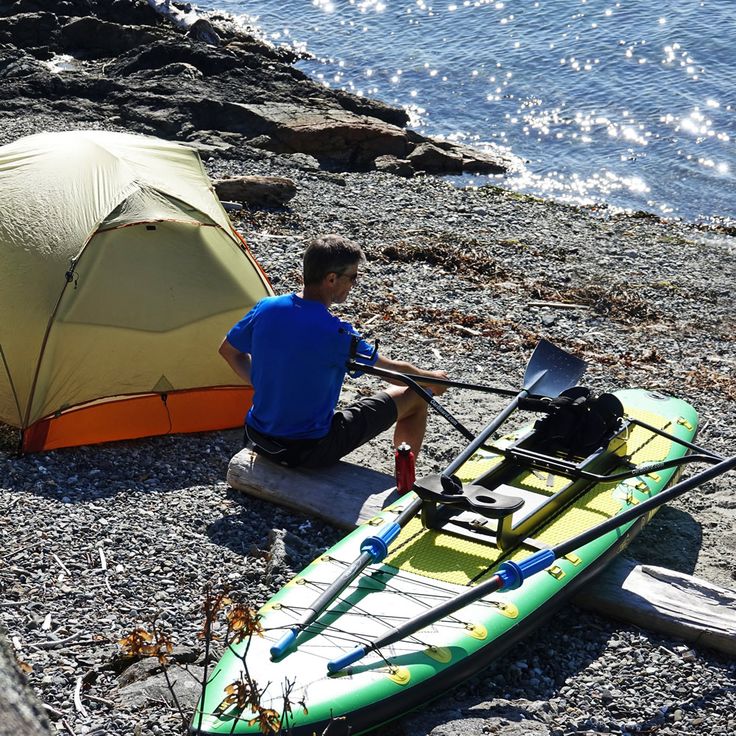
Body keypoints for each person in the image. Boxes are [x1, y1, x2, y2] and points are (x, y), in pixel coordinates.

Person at [218, 234, 449, 468]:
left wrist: (262, 383)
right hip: (305, 451)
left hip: (256, 437)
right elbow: (393, 373)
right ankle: (406, 480)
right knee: (419, 395)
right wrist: (432, 380)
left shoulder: (267, 307)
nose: (354, 285)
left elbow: (228, 351)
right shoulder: (338, 334)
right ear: (331, 279)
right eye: (352, 277)